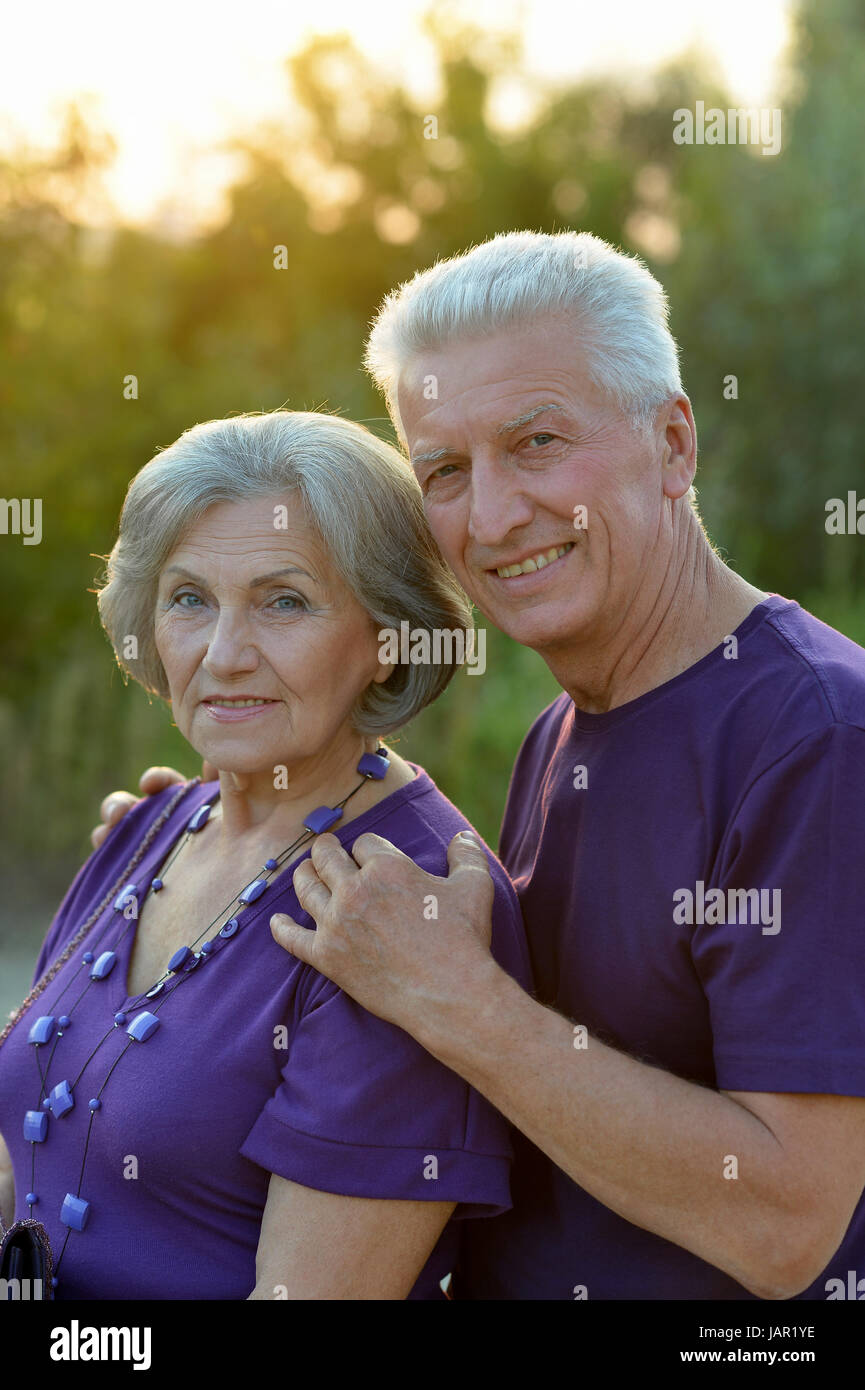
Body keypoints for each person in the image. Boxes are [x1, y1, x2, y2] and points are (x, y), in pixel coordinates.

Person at [88, 230, 865, 1302]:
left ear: (673, 443)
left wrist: (462, 1004)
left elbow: (788, 1225)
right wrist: (213, 860)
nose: (491, 516)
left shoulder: (817, 738)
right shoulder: (568, 729)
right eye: (445, 469)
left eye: (537, 441)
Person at [0, 408, 533, 1301]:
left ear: (387, 635)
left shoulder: (398, 903)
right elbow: (28, 1154)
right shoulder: (154, 825)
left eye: (284, 601)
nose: (224, 654)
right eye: (188, 600)